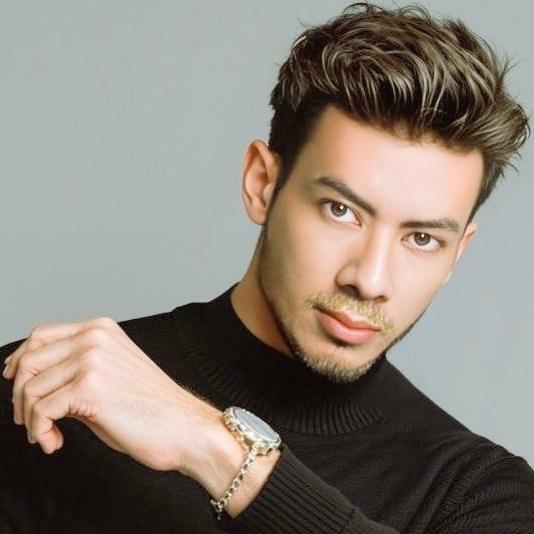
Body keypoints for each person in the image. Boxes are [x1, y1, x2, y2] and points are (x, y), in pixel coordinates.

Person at [1, 2, 533, 533]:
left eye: (421, 239)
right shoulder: (45, 393)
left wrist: (211, 446)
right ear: (262, 184)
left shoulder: (480, 493)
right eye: (340, 210)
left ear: (457, 253)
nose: (370, 279)